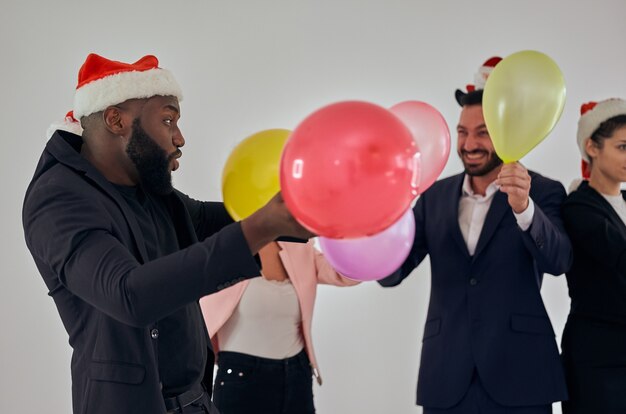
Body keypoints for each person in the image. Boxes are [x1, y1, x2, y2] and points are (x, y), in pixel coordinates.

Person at [22, 53, 312, 414]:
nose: (179, 137)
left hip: (196, 401)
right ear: (116, 120)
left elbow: (208, 220)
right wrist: (262, 227)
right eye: (168, 120)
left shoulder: (146, 188)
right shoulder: (58, 199)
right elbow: (129, 294)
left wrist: (305, 212)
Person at [378, 56, 572, 414]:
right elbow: (392, 274)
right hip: (446, 377)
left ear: (506, 129)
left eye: (482, 131)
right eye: (463, 132)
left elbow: (559, 261)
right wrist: (375, 229)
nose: (469, 144)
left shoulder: (543, 190)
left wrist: (524, 208)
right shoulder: (433, 195)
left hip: (521, 374)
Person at [199, 240, 358, 414]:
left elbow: (346, 275)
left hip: (296, 373)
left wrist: (358, 237)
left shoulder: (300, 245)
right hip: (240, 378)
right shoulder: (222, 244)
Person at [560, 98, 626, 414]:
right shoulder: (578, 206)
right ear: (592, 147)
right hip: (597, 361)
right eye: (623, 147)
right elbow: (620, 255)